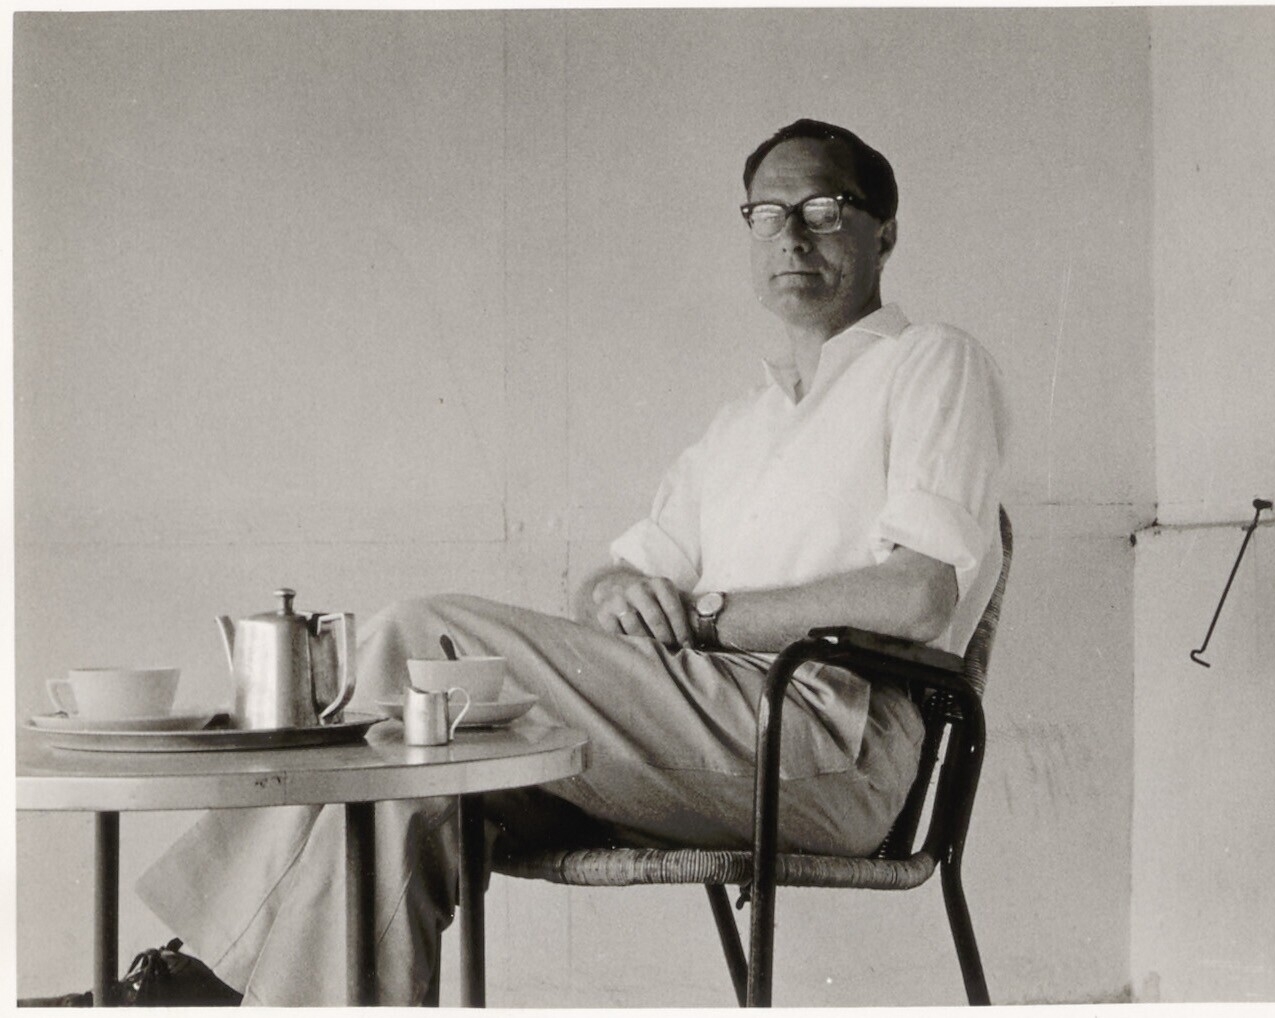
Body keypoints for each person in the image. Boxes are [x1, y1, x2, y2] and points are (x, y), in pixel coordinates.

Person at [118, 118, 1007, 1006]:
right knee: (400, 789)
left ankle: (197, 979)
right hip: (705, 730)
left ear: (885, 232)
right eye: (767, 214)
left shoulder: (929, 361)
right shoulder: (742, 424)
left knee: (417, 637)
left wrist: (705, 619)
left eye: (822, 208)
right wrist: (618, 592)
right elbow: (612, 584)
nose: (791, 237)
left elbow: (919, 594)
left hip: (826, 738)